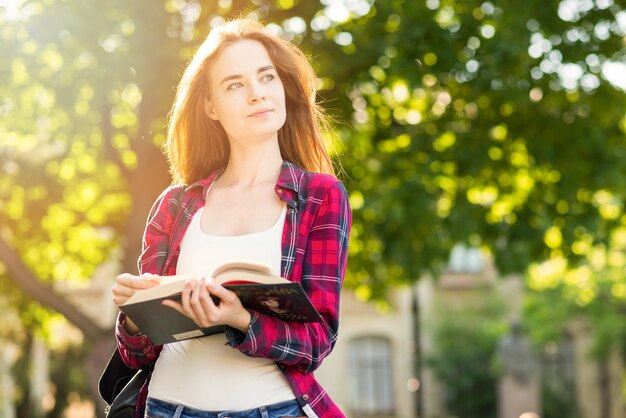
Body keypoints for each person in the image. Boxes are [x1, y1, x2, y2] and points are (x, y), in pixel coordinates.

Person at [111, 18, 352, 418]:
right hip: (166, 409)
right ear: (211, 107)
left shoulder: (321, 197)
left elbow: (317, 342)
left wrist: (238, 318)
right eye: (235, 85)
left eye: (266, 78)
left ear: (283, 89)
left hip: (273, 410)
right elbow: (137, 354)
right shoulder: (175, 204)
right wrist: (135, 313)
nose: (257, 94)